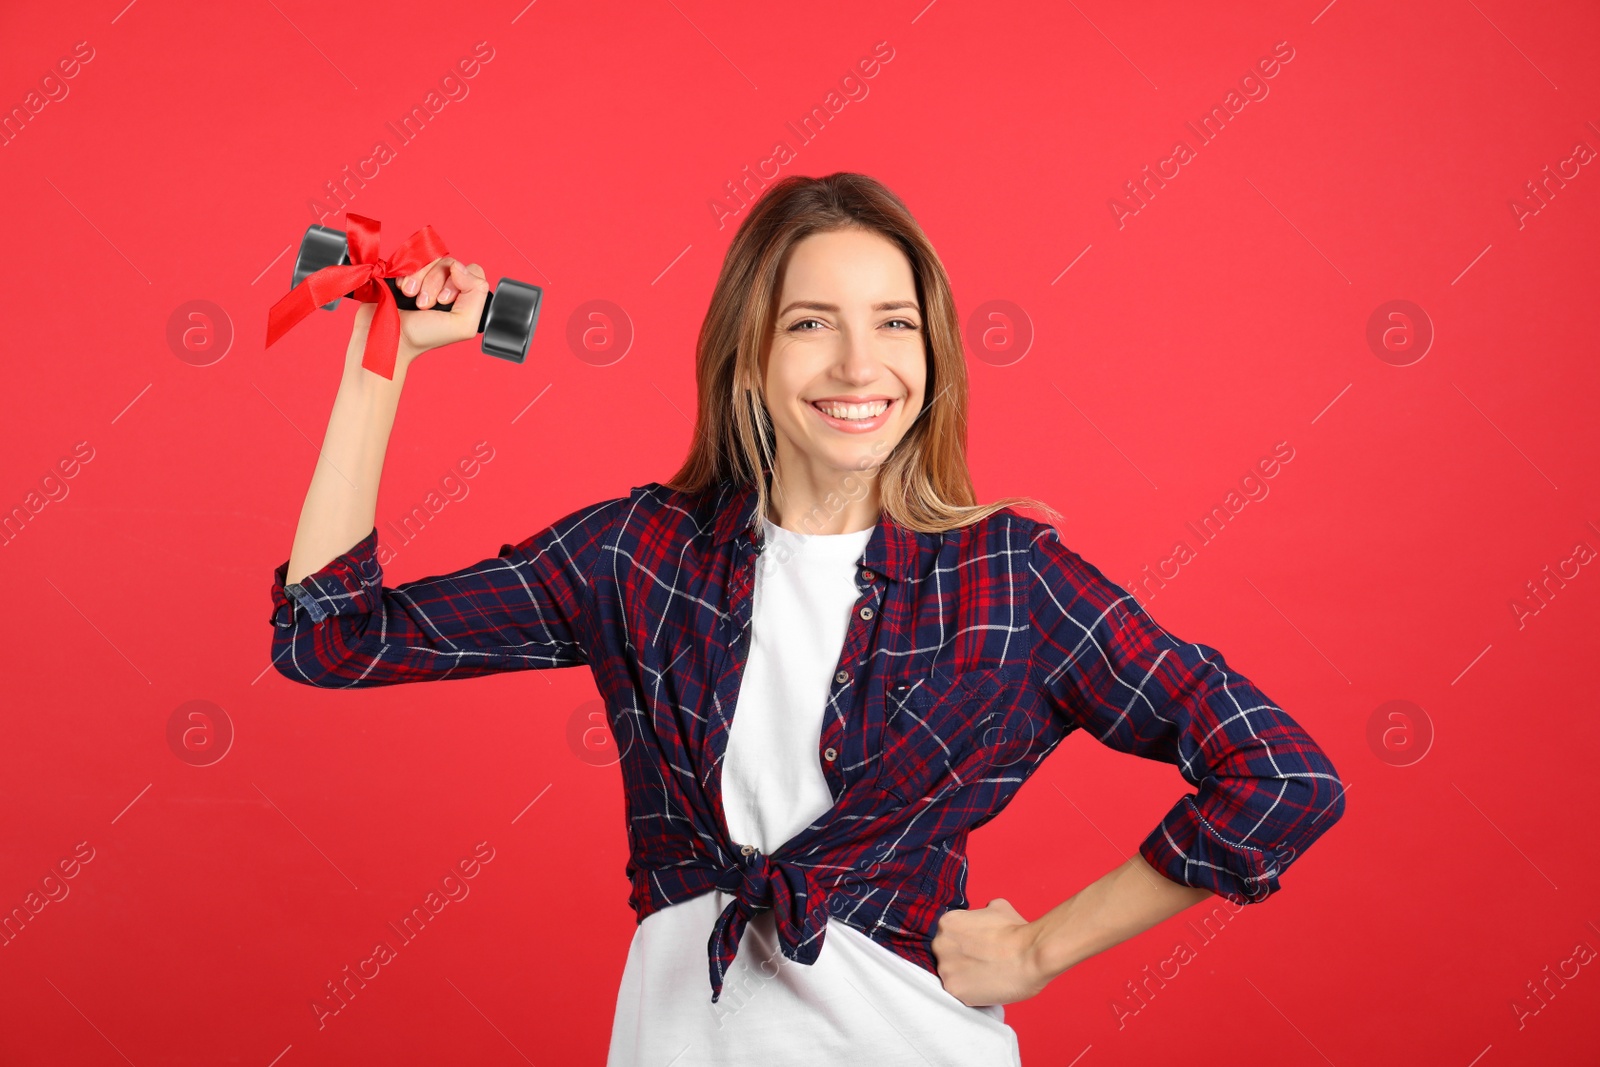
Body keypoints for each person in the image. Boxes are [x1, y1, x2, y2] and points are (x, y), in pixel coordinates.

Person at [269, 172, 1346, 1065]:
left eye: (892, 323)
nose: (856, 365)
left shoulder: (1008, 579)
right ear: (748, 353)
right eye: (809, 324)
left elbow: (1280, 779)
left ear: (931, 357)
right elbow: (332, 638)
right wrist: (386, 356)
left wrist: (1036, 952)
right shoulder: (639, 555)